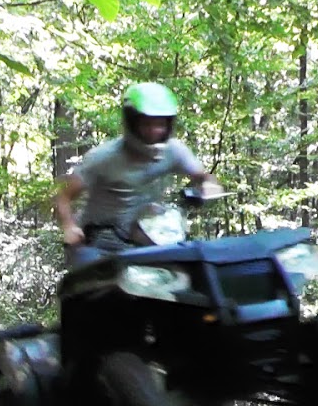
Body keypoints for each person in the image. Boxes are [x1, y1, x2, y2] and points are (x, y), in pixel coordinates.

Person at [53, 82, 220, 267]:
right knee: (92, 285)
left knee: (190, 275)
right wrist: (69, 226)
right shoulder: (104, 158)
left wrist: (209, 187)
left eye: (160, 124)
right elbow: (63, 195)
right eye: (147, 123)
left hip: (148, 239)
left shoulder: (174, 151)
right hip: (98, 242)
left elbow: (203, 177)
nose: (154, 131)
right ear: (132, 122)